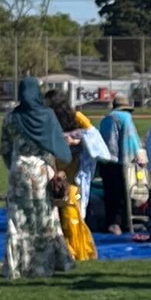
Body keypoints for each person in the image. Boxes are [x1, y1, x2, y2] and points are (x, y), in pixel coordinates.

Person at [0, 78, 75, 279]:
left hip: (19, 172)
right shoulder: (47, 116)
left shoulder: (11, 118)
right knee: (45, 218)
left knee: (19, 220)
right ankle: (46, 264)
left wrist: (14, 166)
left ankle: (18, 265)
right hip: (42, 171)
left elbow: (5, 148)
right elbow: (57, 147)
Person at [42, 91, 96, 262]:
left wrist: (74, 141)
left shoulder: (78, 118)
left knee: (70, 209)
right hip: (55, 167)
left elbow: (93, 138)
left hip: (73, 169)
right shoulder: (48, 122)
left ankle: (77, 248)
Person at [98, 95, 142, 235]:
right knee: (123, 195)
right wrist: (137, 157)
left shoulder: (105, 119)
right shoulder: (125, 118)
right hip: (121, 162)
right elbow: (131, 141)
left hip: (106, 162)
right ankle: (124, 223)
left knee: (110, 194)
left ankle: (112, 223)